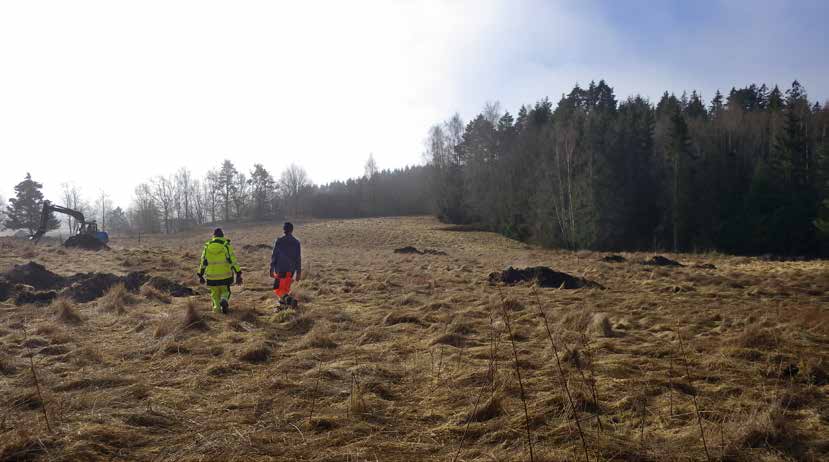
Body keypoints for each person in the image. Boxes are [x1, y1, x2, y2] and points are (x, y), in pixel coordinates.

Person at [197, 228, 242, 314]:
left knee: (214, 294)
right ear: (222, 236)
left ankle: (217, 310)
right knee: (226, 291)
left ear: (213, 236)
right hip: (225, 275)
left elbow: (203, 262)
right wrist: (238, 273)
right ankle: (224, 299)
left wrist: (200, 275)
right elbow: (233, 260)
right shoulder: (226, 245)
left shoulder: (207, 246)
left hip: (211, 277)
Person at [270, 222, 301, 307]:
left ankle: (290, 301)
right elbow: (298, 258)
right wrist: (298, 273)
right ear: (292, 230)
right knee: (285, 290)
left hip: (280, 270)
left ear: (283, 230)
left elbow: (274, 256)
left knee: (278, 289)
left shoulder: (279, 241)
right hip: (291, 271)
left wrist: (271, 269)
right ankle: (283, 307)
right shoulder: (296, 242)